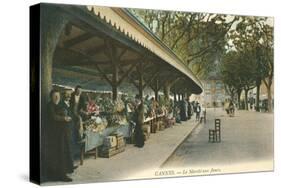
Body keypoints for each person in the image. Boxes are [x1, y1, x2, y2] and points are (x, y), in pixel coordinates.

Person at [45, 89, 74, 182]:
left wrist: (66, 115)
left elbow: (65, 112)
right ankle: (61, 175)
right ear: (51, 97)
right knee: (58, 154)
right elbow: (54, 117)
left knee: (63, 152)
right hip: (53, 135)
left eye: (58, 96)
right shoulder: (49, 106)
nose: (57, 98)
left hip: (61, 134)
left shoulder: (60, 104)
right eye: (55, 96)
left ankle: (64, 171)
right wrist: (64, 118)